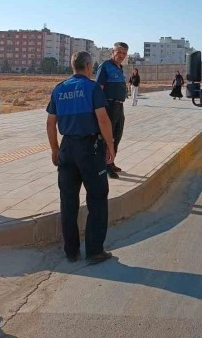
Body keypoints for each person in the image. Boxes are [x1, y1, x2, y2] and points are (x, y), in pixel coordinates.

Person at [46, 51, 114, 264]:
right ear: (87, 66)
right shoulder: (92, 88)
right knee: (97, 197)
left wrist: (54, 150)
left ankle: (71, 251)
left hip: (67, 148)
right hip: (89, 149)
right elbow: (102, 120)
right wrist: (110, 146)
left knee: (68, 201)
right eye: (91, 66)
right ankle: (94, 251)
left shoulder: (59, 89)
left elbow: (50, 123)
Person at [95, 42, 128, 178]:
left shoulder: (119, 67)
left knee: (117, 135)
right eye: (118, 52)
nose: (121, 55)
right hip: (109, 106)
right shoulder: (105, 66)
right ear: (112, 52)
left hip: (119, 106)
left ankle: (111, 161)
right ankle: (106, 166)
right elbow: (99, 89)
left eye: (124, 53)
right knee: (107, 136)